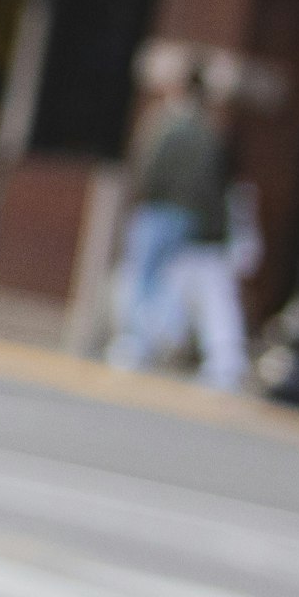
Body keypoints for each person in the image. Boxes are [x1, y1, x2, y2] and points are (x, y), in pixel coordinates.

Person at [111, 51, 246, 391]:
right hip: (187, 216)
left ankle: (141, 342)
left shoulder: (168, 124)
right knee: (169, 281)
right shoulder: (206, 128)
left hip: (161, 210)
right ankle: (156, 339)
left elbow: (148, 167)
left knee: (145, 277)